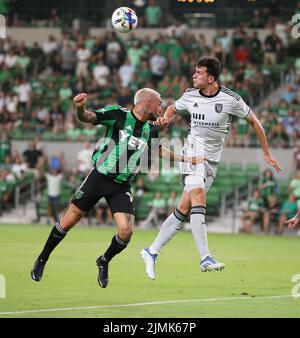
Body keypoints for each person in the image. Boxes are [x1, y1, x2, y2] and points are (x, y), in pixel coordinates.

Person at [30, 88, 205, 288]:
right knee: (69, 220)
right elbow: (88, 117)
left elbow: (159, 150)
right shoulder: (118, 115)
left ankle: (103, 260)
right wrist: (80, 108)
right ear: (147, 103)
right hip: (100, 177)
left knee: (126, 231)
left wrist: (188, 159)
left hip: (121, 185)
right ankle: (42, 259)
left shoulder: (151, 129)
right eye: (159, 103)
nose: (161, 108)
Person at [141, 56, 282, 280]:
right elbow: (172, 108)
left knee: (183, 210)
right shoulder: (190, 95)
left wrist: (266, 152)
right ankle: (205, 257)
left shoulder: (230, 99)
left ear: (211, 78)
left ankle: (151, 251)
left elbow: (255, 122)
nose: (194, 76)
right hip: (192, 155)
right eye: (194, 72)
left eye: (199, 73)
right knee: (198, 197)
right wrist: (166, 119)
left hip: (212, 162)